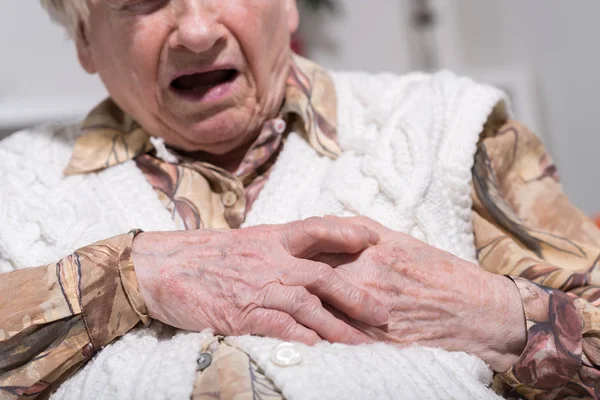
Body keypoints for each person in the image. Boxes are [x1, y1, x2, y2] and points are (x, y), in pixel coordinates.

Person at [1, 1, 599, 399]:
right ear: (83, 39)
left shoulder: (447, 129)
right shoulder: (14, 181)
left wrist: (485, 310)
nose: (199, 30)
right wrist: (126, 278)